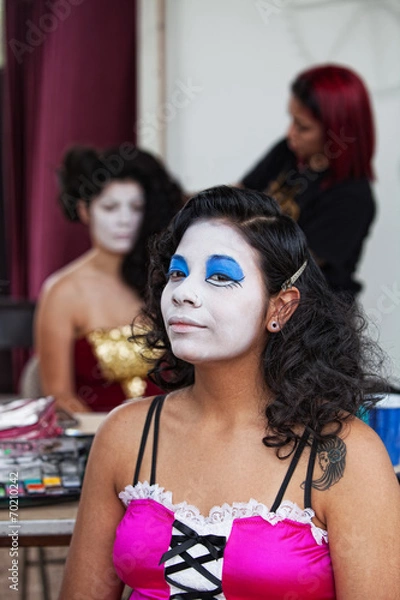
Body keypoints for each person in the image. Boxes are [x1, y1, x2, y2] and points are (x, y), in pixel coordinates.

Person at [59, 185, 399, 599]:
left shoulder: (345, 453)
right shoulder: (126, 434)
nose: (184, 292)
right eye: (178, 272)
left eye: (220, 276)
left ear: (281, 307)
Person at [35, 145, 182, 413]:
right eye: (110, 207)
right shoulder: (62, 292)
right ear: (84, 210)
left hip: (174, 436)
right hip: (95, 441)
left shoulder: (168, 281)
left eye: (136, 208)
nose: (125, 220)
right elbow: (59, 398)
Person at [239, 63, 376, 300]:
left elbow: (291, 268)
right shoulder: (288, 153)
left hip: (311, 320)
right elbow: (237, 198)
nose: (290, 134)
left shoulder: (352, 199)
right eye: (292, 120)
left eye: (303, 127)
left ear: (338, 134)